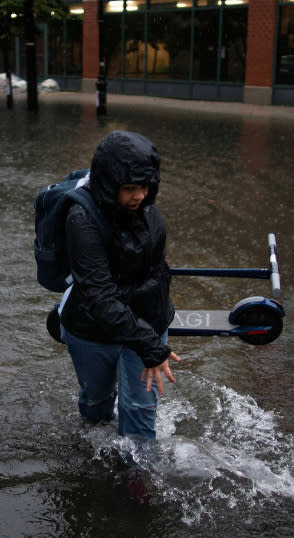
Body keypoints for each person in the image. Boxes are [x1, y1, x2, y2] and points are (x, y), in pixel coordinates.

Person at [60, 130, 180, 439]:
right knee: (96, 404)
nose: (138, 196)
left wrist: (152, 337)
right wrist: (152, 345)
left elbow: (157, 273)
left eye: (144, 187)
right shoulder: (81, 220)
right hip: (93, 328)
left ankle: (137, 479)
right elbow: (100, 296)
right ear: (109, 186)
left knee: (140, 411)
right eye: (129, 189)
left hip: (145, 323)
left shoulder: (147, 209)